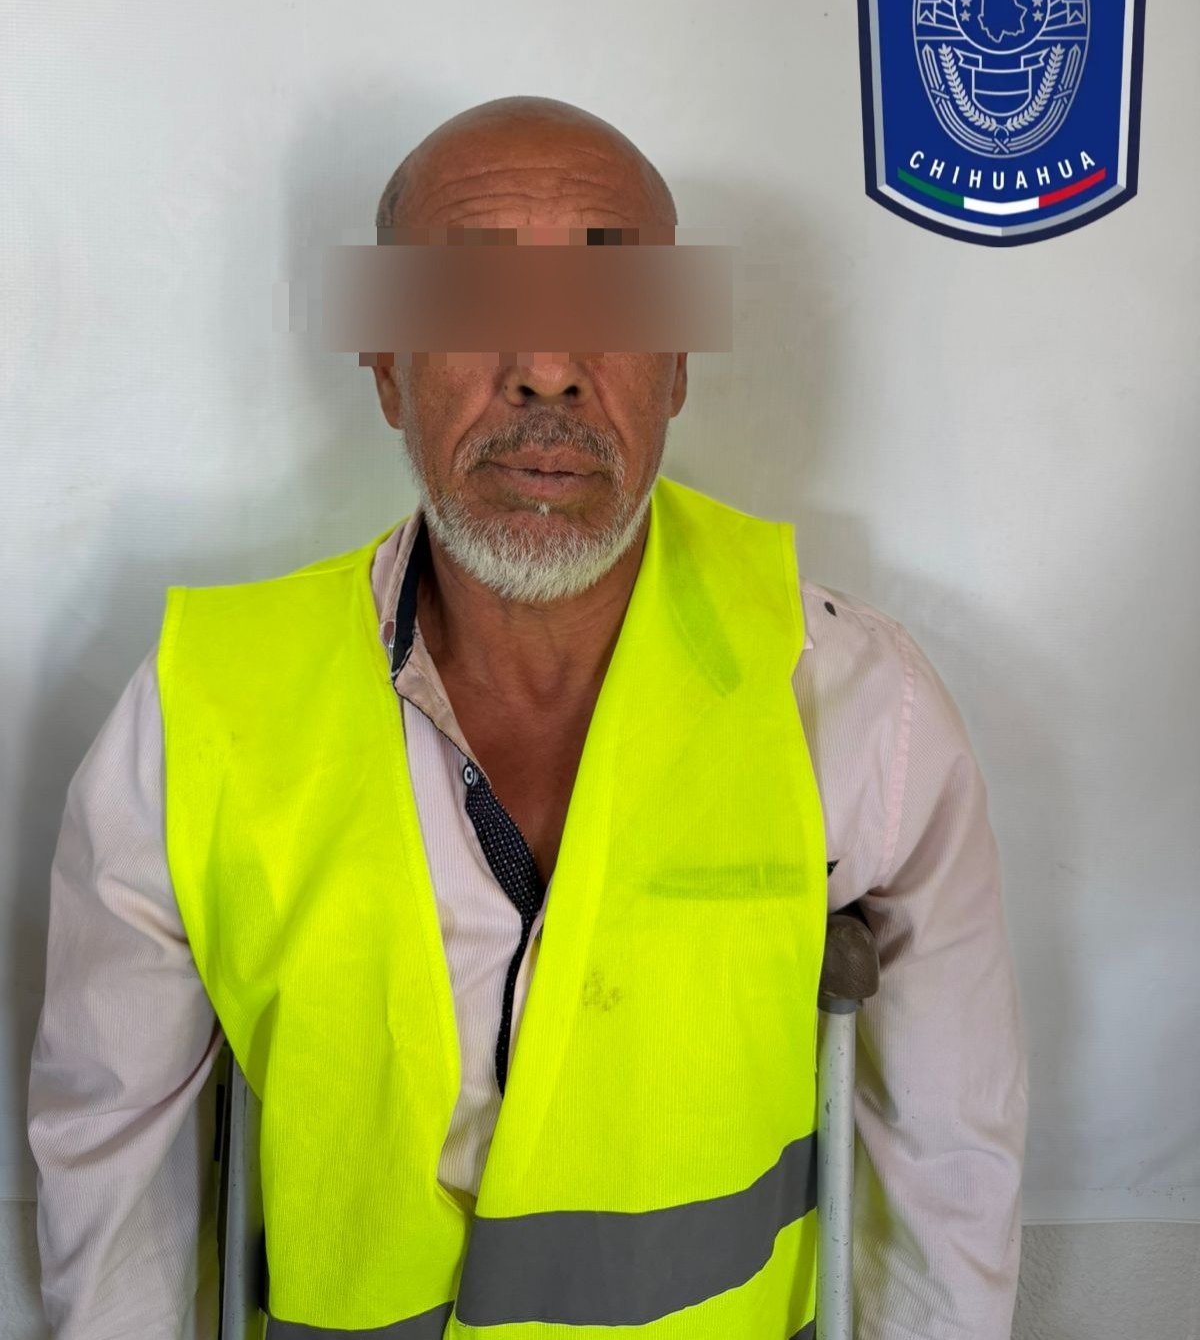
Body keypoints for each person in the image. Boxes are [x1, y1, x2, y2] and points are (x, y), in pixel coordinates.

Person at [27, 95, 1027, 1340]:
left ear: (677, 366)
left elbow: (949, 1175)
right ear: (384, 362)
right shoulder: (196, 717)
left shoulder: (862, 712)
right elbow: (112, 1174)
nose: (546, 363)